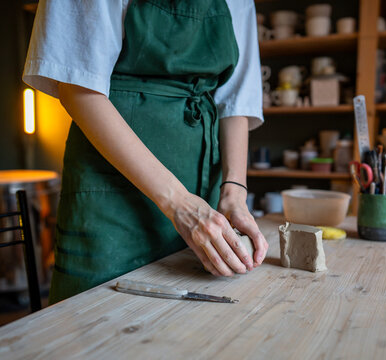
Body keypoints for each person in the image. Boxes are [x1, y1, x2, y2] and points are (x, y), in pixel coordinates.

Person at [23, 0, 268, 303]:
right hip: (111, 192)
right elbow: (77, 86)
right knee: (97, 321)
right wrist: (179, 204)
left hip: (203, 186)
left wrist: (234, 191)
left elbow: (236, 102)